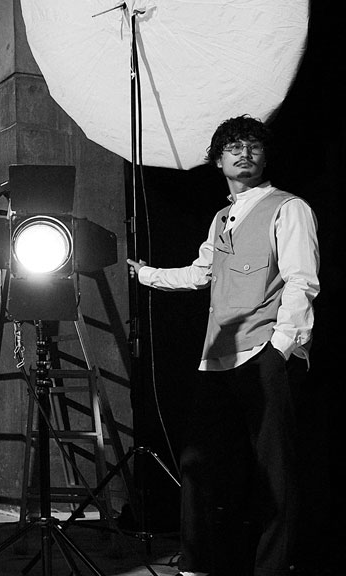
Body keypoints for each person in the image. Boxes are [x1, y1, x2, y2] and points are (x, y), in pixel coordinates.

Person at [128, 115, 319, 576]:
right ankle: (198, 565)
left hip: (264, 353)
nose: (244, 154)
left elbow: (302, 281)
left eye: (253, 146)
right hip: (218, 359)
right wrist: (146, 274)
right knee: (201, 465)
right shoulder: (221, 219)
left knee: (273, 472)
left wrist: (281, 347)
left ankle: (271, 569)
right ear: (218, 161)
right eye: (234, 147)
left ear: (265, 157)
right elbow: (202, 273)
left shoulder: (288, 207)